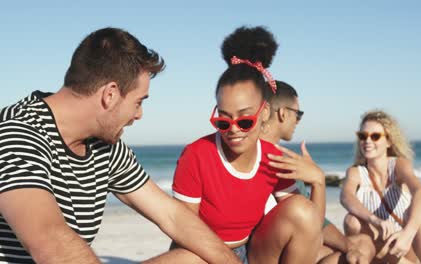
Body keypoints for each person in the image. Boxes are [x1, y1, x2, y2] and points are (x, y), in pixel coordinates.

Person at [0, 27, 241, 264]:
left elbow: (172, 215)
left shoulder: (104, 144)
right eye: (138, 102)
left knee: (195, 258)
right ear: (111, 94)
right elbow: (52, 245)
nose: (139, 115)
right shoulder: (17, 133)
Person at [172, 26, 325, 263]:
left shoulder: (272, 157)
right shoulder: (197, 155)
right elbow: (182, 231)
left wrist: (318, 181)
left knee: (302, 209)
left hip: (254, 251)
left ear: (264, 113)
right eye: (223, 120)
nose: (233, 129)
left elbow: (309, 228)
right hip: (201, 254)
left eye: (244, 120)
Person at [261, 80, 375, 263]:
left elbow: (317, 224)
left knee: (363, 244)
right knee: (356, 251)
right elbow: (311, 226)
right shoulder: (274, 160)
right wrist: (318, 181)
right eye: (298, 114)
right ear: (283, 113)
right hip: (275, 253)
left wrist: (348, 246)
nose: (298, 121)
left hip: (289, 246)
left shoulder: (272, 155)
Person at [340, 110, 421, 263]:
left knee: (415, 211)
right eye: (363, 136)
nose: (368, 141)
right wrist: (375, 220)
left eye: (375, 136)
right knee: (352, 220)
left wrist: (407, 233)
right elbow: (346, 197)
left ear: (389, 141)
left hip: (404, 250)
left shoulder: (399, 165)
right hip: (377, 254)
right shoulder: (355, 173)